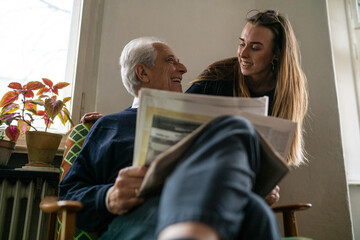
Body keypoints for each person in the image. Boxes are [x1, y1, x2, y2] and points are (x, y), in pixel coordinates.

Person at [59, 36, 281, 240]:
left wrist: (257, 186)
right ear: (143, 73)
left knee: (255, 206)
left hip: (211, 209)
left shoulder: (204, 125)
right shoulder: (109, 126)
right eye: (171, 61)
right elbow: (69, 193)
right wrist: (109, 197)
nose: (183, 69)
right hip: (141, 216)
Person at [186, 9, 308, 166]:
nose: (242, 53)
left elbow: (279, 157)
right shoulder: (216, 76)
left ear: (276, 54)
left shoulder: (290, 87)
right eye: (242, 43)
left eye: (255, 48)